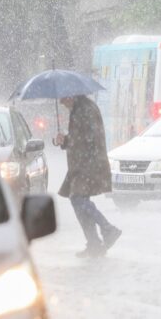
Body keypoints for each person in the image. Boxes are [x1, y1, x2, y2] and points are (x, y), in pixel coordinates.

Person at [55, 95, 122, 258]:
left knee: (78, 199)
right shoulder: (80, 109)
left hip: (89, 164)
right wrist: (64, 141)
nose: (62, 103)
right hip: (83, 164)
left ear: (71, 94)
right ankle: (94, 244)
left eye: (63, 99)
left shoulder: (85, 110)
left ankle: (107, 229)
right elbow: (80, 138)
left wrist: (67, 140)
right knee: (77, 200)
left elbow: (89, 138)